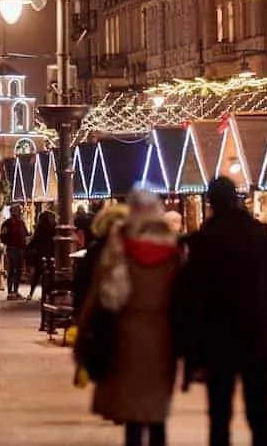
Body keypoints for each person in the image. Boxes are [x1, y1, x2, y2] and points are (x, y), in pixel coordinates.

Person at [176, 177, 267, 446]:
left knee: (219, 418)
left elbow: (190, 299)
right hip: (256, 336)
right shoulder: (260, 234)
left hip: (217, 341)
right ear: (236, 199)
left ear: (211, 203)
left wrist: (190, 356)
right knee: (260, 417)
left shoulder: (203, 240)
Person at [76, 190, 182, 446]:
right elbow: (185, 295)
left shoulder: (119, 246)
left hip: (126, 334)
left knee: (133, 409)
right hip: (163, 337)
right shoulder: (173, 248)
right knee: (157, 408)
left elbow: (100, 290)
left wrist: (83, 325)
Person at [0, 204, 30, 299]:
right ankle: (10, 291)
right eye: (18, 211)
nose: (20, 213)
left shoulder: (21, 223)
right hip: (13, 248)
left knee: (18, 270)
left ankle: (15, 291)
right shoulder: (8, 223)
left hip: (19, 249)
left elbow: (26, 234)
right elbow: (3, 236)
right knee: (12, 270)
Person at [26, 210, 57, 301]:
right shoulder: (54, 227)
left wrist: (28, 248)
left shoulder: (40, 228)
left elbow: (35, 240)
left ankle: (31, 293)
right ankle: (48, 293)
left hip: (41, 254)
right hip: (52, 253)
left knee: (37, 275)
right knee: (50, 275)